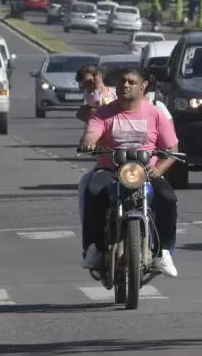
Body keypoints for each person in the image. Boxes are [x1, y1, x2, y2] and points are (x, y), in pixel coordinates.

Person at [79, 67, 180, 276]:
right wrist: (89, 140)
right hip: (111, 169)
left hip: (146, 172)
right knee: (94, 191)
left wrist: (158, 168)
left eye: (132, 82)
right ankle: (95, 248)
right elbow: (93, 131)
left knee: (167, 197)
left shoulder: (155, 113)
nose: (125, 85)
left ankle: (163, 252)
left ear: (143, 86)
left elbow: (172, 150)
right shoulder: (104, 112)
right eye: (122, 81)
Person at [75, 65, 117, 247]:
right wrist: (88, 141)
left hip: (132, 160)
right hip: (107, 158)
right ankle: (92, 244)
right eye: (87, 85)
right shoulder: (93, 98)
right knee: (87, 187)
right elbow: (93, 118)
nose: (91, 87)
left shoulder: (116, 93)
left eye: (92, 81)